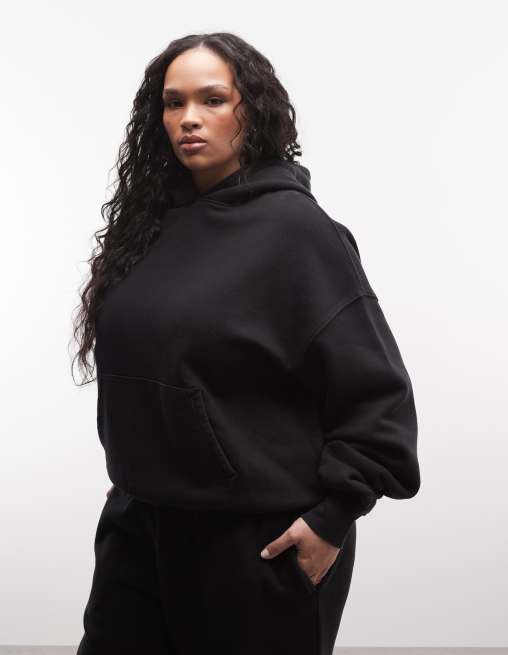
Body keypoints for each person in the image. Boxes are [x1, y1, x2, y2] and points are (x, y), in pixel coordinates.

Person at [72, 31, 421, 655]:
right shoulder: (149, 228)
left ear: (252, 109)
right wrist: (142, 470)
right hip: (140, 526)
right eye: (173, 103)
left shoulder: (298, 232)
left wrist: (332, 518)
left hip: (255, 544)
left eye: (212, 99)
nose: (189, 118)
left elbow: (377, 397)